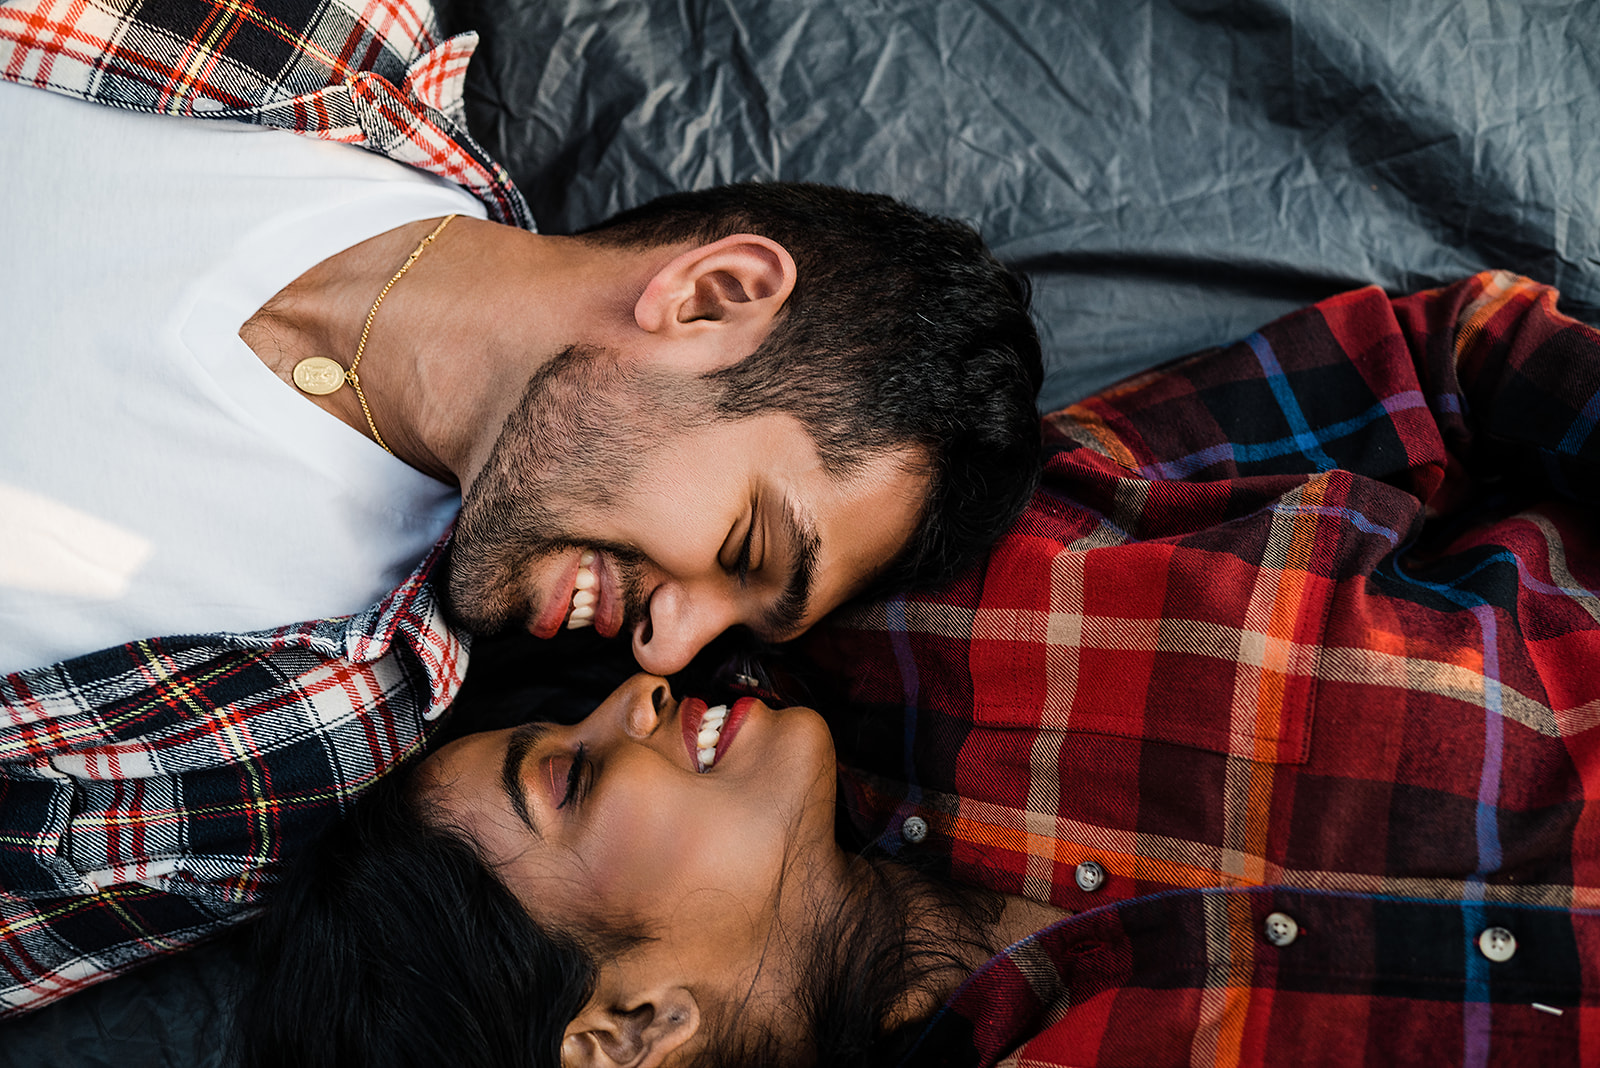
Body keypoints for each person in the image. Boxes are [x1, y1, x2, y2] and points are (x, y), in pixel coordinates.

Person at [237, 270, 1598, 1066]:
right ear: (630, 1033)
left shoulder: (930, 580)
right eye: (569, 780)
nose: (637, 693)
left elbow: (1438, 357)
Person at [0, 0, 1042, 1016]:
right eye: (742, 547)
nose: (664, 649)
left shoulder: (297, 730)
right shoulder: (317, 34)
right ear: (709, 297)